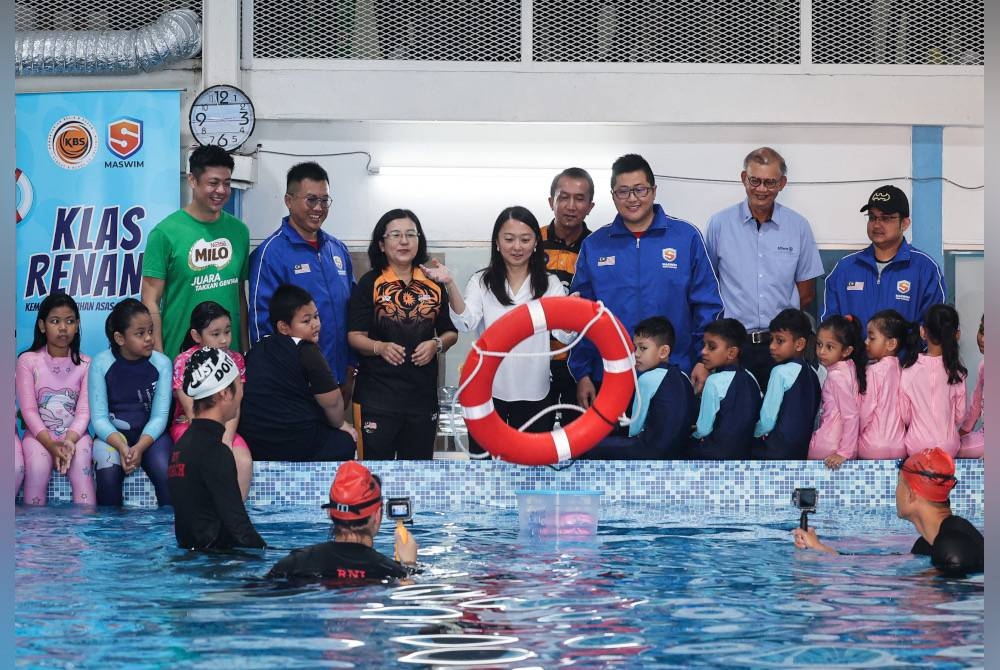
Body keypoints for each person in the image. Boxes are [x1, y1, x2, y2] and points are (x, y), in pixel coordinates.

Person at [570, 154, 723, 409]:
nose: (632, 199)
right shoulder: (595, 246)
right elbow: (581, 316)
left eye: (640, 189)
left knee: (673, 449)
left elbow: (708, 306)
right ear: (613, 195)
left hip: (676, 375)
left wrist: (703, 360)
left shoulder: (686, 238)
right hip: (609, 378)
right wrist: (583, 373)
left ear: (653, 191)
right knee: (613, 449)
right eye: (623, 191)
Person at [422, 206, 568, 456]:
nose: (517, 246)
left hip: (535, 391)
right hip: (487, 393)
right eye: (509, 239)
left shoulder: (550, 284)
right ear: (497, 243)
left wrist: (572, 312)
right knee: (486, 468)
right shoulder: (482, 282)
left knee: (530, 468)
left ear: (536, 242)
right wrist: (449, 285)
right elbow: (465, 322)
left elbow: (565, 336)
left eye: (525, 239)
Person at [705, 147, 824, 392]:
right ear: (743, 179)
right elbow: (710, 286)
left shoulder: (798, 227)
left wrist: (781, 333)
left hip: (782, 346)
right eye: (754, 180)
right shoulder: (719, 225)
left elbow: (807, 292)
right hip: (734, 347)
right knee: (735, 421)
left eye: (770, 182)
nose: (761, 189)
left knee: (783, 419)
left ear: (782, 183)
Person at [347, 209, 458, 460]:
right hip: (376, 399)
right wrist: (380, 347)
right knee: (374, 476)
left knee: (418, 476)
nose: (404, 241)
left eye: (410, 234)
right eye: (395, 235)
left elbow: (451, 333)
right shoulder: (369, 283)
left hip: (421, 400)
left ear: (419, 241)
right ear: (381, 244)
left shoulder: (433, 282)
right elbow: (354, 335)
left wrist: (436, 344)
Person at [249, 162, 357, 400]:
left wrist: (350, 367)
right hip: (296, 385)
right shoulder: (270, 253)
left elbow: (353, 313)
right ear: (289, 200)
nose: (319, 208)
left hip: (339, 381)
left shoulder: (338, 250)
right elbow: (261, 326)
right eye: (311, 200)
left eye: (325, 200)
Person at [793, 447, 983, 576]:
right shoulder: (928, 544)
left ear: (910, 494)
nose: (895, 492)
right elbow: (880, 563)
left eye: (899, 483)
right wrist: (820, 548)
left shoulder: (951, 548)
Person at [142, 145, 251, 357]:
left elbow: (239, 295)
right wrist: (159, 358)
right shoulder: (164, 233)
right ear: (193, 180)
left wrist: (244, 349)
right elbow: (150, 299)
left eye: (226, 183)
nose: (221, 190)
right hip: (180, 359)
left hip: (229, 361)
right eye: (213, 183)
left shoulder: (240, 232)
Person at [240, 284, 357, 461]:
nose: (315, 324)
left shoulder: (257, 348)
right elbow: (332, 403)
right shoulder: (306, 350)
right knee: (346, 441)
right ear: (284, 327)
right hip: (296, 443)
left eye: (316, 317)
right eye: (306, 321)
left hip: (255, 444)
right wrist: (341, 424)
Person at [168, 347, 266, 550]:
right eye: (239, 386)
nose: (241, 395)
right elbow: (239, 528)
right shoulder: (215, 452)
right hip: (217, 567)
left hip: (192, 561)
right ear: (224, 394)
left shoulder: (183, 446)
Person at [267, 461, 417, 581]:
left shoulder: (293, 563)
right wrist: (409, 566)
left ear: (329, 512)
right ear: (377, 515)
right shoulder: (392, 571)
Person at [822, 185, 946, 329]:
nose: (876, 224)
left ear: (905, 223)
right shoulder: (845, 268)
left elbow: (934, 330)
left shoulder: (925, 269)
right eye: (872, 217)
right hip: (853, 352)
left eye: (886, 218)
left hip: (909, 352)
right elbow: (829, 326)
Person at [88, 299, 173, 507]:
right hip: (111, 437)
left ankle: (169, 535)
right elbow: (98, 418)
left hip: (152, 437)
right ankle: (114, 537)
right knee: (107, 478)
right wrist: (122, 447)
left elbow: (160, 416)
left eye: (151, 331)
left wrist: (140, 447)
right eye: (140, 333)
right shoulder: (100, 363)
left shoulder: (162, 364)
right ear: (120, 338)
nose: (149, 338)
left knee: (165, 473)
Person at [15, 293, 95, 505]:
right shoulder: (28, 361)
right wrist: (50, 443)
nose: (63, 328)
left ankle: (83, 535)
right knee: (37, 469)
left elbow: (84, 411)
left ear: (77, 325)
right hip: (39, 435)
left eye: (69, 321)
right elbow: (29, 410)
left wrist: (69, 440)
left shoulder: (86, 364)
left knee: (82, 471)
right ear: (42, 325)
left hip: (76, 436)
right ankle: (36, 533)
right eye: (55, 321)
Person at [578, 316, 695, 460]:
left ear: (664, 352)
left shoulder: (647, 379)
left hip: (651, 451)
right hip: (679, 451)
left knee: (591, 446)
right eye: (635, 348)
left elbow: (635, 427)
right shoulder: (684, 376)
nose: (636, 354)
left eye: (643, 348)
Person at [171, 301, 252, 499]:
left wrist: (225, 441)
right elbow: (191, 412)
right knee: (204, 459)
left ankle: (236, 514)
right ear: (196, 336)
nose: (224, 340)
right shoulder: (184, 361)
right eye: (215, 334)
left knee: (243, 461)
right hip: (190, 427)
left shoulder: (236, 360)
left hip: (226, 427)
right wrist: (213, 443)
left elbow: (235, 406)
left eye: (227, 331)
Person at [541, 167, 596, 423]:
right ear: (552, 201)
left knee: (581, 440)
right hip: (535, 359)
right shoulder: (529, 242)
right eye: (564, 197)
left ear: (590, 206)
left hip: (580, 363)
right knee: (534, 440)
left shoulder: (599, 247)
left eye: (579, 198)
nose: (571, 205)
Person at [752, 308, 821, 460]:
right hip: (801, 450)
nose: (771, 346)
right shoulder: (813, 375)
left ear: (799, 344)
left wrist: (753, 434)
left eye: (780, 340)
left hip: (774, 451)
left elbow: (767, 421)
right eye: (771, 340)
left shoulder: (780, 372)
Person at [899, 304, 967, 457]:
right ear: (956, 335)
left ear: (923, 332)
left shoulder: (909, 370)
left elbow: (905, 416)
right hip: (948, 447)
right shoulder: (957, 372)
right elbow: (960, 415)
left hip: (917, 446)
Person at [689, 319, 762, 460]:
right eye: (703, 345)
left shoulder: (714, 381)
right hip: (746, 454)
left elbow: (703, 429)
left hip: (714, 455)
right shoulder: (751, 378)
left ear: (731, 353)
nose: (703, 351)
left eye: (711, 347)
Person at [808, 314, 867, 470]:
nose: (821, 351)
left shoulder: (836, 376)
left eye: (830, 347)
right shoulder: (850, 366)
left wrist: (844, 452)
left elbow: (851, 415)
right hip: (838, 446)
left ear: (847, 350)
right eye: (819, 344)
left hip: (829, 447)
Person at [858, 309, 908, 460]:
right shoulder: (903, 370)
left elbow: (865, 411)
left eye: (872, 338)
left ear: (891, 344)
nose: (866, 342)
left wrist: (855, 432)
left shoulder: (873, 371)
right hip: (900, 446)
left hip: (872, 445)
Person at [957, 315, 984, 458]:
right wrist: (960, 434)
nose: (983, 339)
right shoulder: (984, 366)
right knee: (949, 445)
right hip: (985, 436)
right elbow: (976, 406)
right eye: (982, 331)